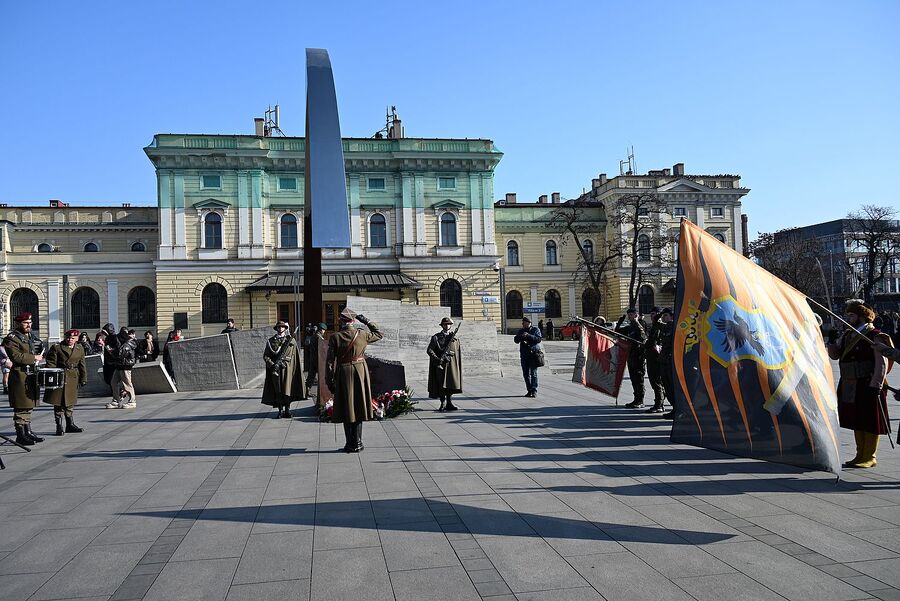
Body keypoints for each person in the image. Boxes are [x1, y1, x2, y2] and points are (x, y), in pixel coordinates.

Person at [826, 300, 893, 468]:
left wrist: (876, 385)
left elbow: (882, 363)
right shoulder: (848, 334)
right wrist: (832, 342)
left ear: (862, 316)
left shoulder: (875, 335)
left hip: (868, 382)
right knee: (856, 419)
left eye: (852, 315)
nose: (848, 318)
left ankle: (870, 456)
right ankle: (859, 454)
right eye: (848, 315)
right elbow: (835, 355)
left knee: (869, 420)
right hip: (850, 383)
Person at [326, 308, 383, 453]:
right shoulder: (362, 334)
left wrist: (329, 381)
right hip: (360, 370)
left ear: (341, 322)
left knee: (347, 407)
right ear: (353, 321)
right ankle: (358, 442)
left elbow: (329, 362)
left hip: (343, 372)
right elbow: (379, 334)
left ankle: (349, 444)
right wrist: (367, 321)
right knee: (358, 405)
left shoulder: (335, 337)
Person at [3, 312, 45, 445]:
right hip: (19, 376)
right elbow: (16, 357)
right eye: (25, 323)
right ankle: (20, 435)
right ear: (18, 323)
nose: (29, 325)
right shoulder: (11, 338)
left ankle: (28, 431)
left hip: (30, 375)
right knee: (21, 406)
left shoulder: (30, 336)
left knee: (28, 405)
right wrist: (34, 358)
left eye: (30, 322)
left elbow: (34, 349)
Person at [44, 328, 88, 435]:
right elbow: (51, 363)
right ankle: (59, 425)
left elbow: (82, 364)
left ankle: (70, 424)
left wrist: (83, 378)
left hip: (73, 376)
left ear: (77, 338)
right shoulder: (57, 347)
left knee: (70, 402)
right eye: (68, 337)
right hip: (60, 376)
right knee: (58, 401)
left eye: (73, 338)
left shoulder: (79, 348)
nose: (70, 340)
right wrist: (52, 378)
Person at [262, 320, 307, 418]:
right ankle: (280, 410)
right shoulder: (271, 341)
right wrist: (272, 365)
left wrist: (288, 362)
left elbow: (295, 355)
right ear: (276, 329)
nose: (280, 329)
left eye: (282, 327)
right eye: (278, 327)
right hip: (276, 369)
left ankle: (287, 410)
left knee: (287, 390)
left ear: (285, 329)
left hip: (287, 369)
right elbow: (266, 356)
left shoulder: (290, 340)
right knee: (278, 390)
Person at [427, 317, 462, 411]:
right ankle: (442, 403)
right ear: (442, 325)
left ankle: (449, 403)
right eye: (445, 324)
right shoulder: (436, 337)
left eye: (449, 324)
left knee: (450, 384)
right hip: (440, 364)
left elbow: (456, 352)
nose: (447, 326)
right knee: (441, 384)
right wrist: (437, 359)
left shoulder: (454, 338)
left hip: (451, 365)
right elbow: (430, 350)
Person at [616, 307, 647, 409]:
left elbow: (643, 340)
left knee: (639, 379)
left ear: (636, 315)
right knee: (634, 379)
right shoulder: (630, 327)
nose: (629, 316)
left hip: (638, 357)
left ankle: (640, 400)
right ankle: (636, 399)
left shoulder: (639, 327)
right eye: (628, 315)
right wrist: (620, 322)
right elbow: (618, 332)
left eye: (631, 314)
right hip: (631, 356)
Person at [644, 307, 667, 413]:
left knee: (657, 381)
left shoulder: (661, 325)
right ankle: (659, 402)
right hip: (651, 356)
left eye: (655, 314)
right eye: (651, 313)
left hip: (657, 357)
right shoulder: (654, 326)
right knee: (654, 381)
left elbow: (657, 342)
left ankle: (659, 404)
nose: (652, 315)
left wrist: (659, 315)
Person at [108, 329, 138, 409]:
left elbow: (120, 354)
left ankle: (132, 401)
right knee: (113, 382)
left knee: (127, 384)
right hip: (119, 365)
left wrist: (112, 352)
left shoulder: (127, 344)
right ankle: (116, 400)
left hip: (125, 366)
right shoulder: (123, 344)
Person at [657, 309, 679, 420]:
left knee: (672, 386)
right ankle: (675, 408)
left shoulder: (675, 327)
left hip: (670, 361)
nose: (663, 317)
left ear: (671, 316)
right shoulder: (665, 327)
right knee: (667, 386)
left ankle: (677, 409)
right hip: (664, 359)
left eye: (665, 315)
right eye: (663, 315)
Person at [514, 316, 542, 397]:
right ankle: (529, 390)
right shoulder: (521, 331)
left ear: (528, 323)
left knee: (533, 373)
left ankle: (534, 390)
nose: (522, 324)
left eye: (524, 322)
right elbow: (516, 340)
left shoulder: (535, 330)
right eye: (522, 322)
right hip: (524, 355)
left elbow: (538, 339)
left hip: (533, 354)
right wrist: (520, 337)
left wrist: (528, 336)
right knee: (526, 374)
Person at [100, 322, 118, 388]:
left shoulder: (114, 338)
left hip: (113, 362)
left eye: (104, 333)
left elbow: (117, 348)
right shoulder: (107, 339)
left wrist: (111, 350)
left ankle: (117, 393)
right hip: (107, 362)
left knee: (112, 379)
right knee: (107, 378)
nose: (103, 334)